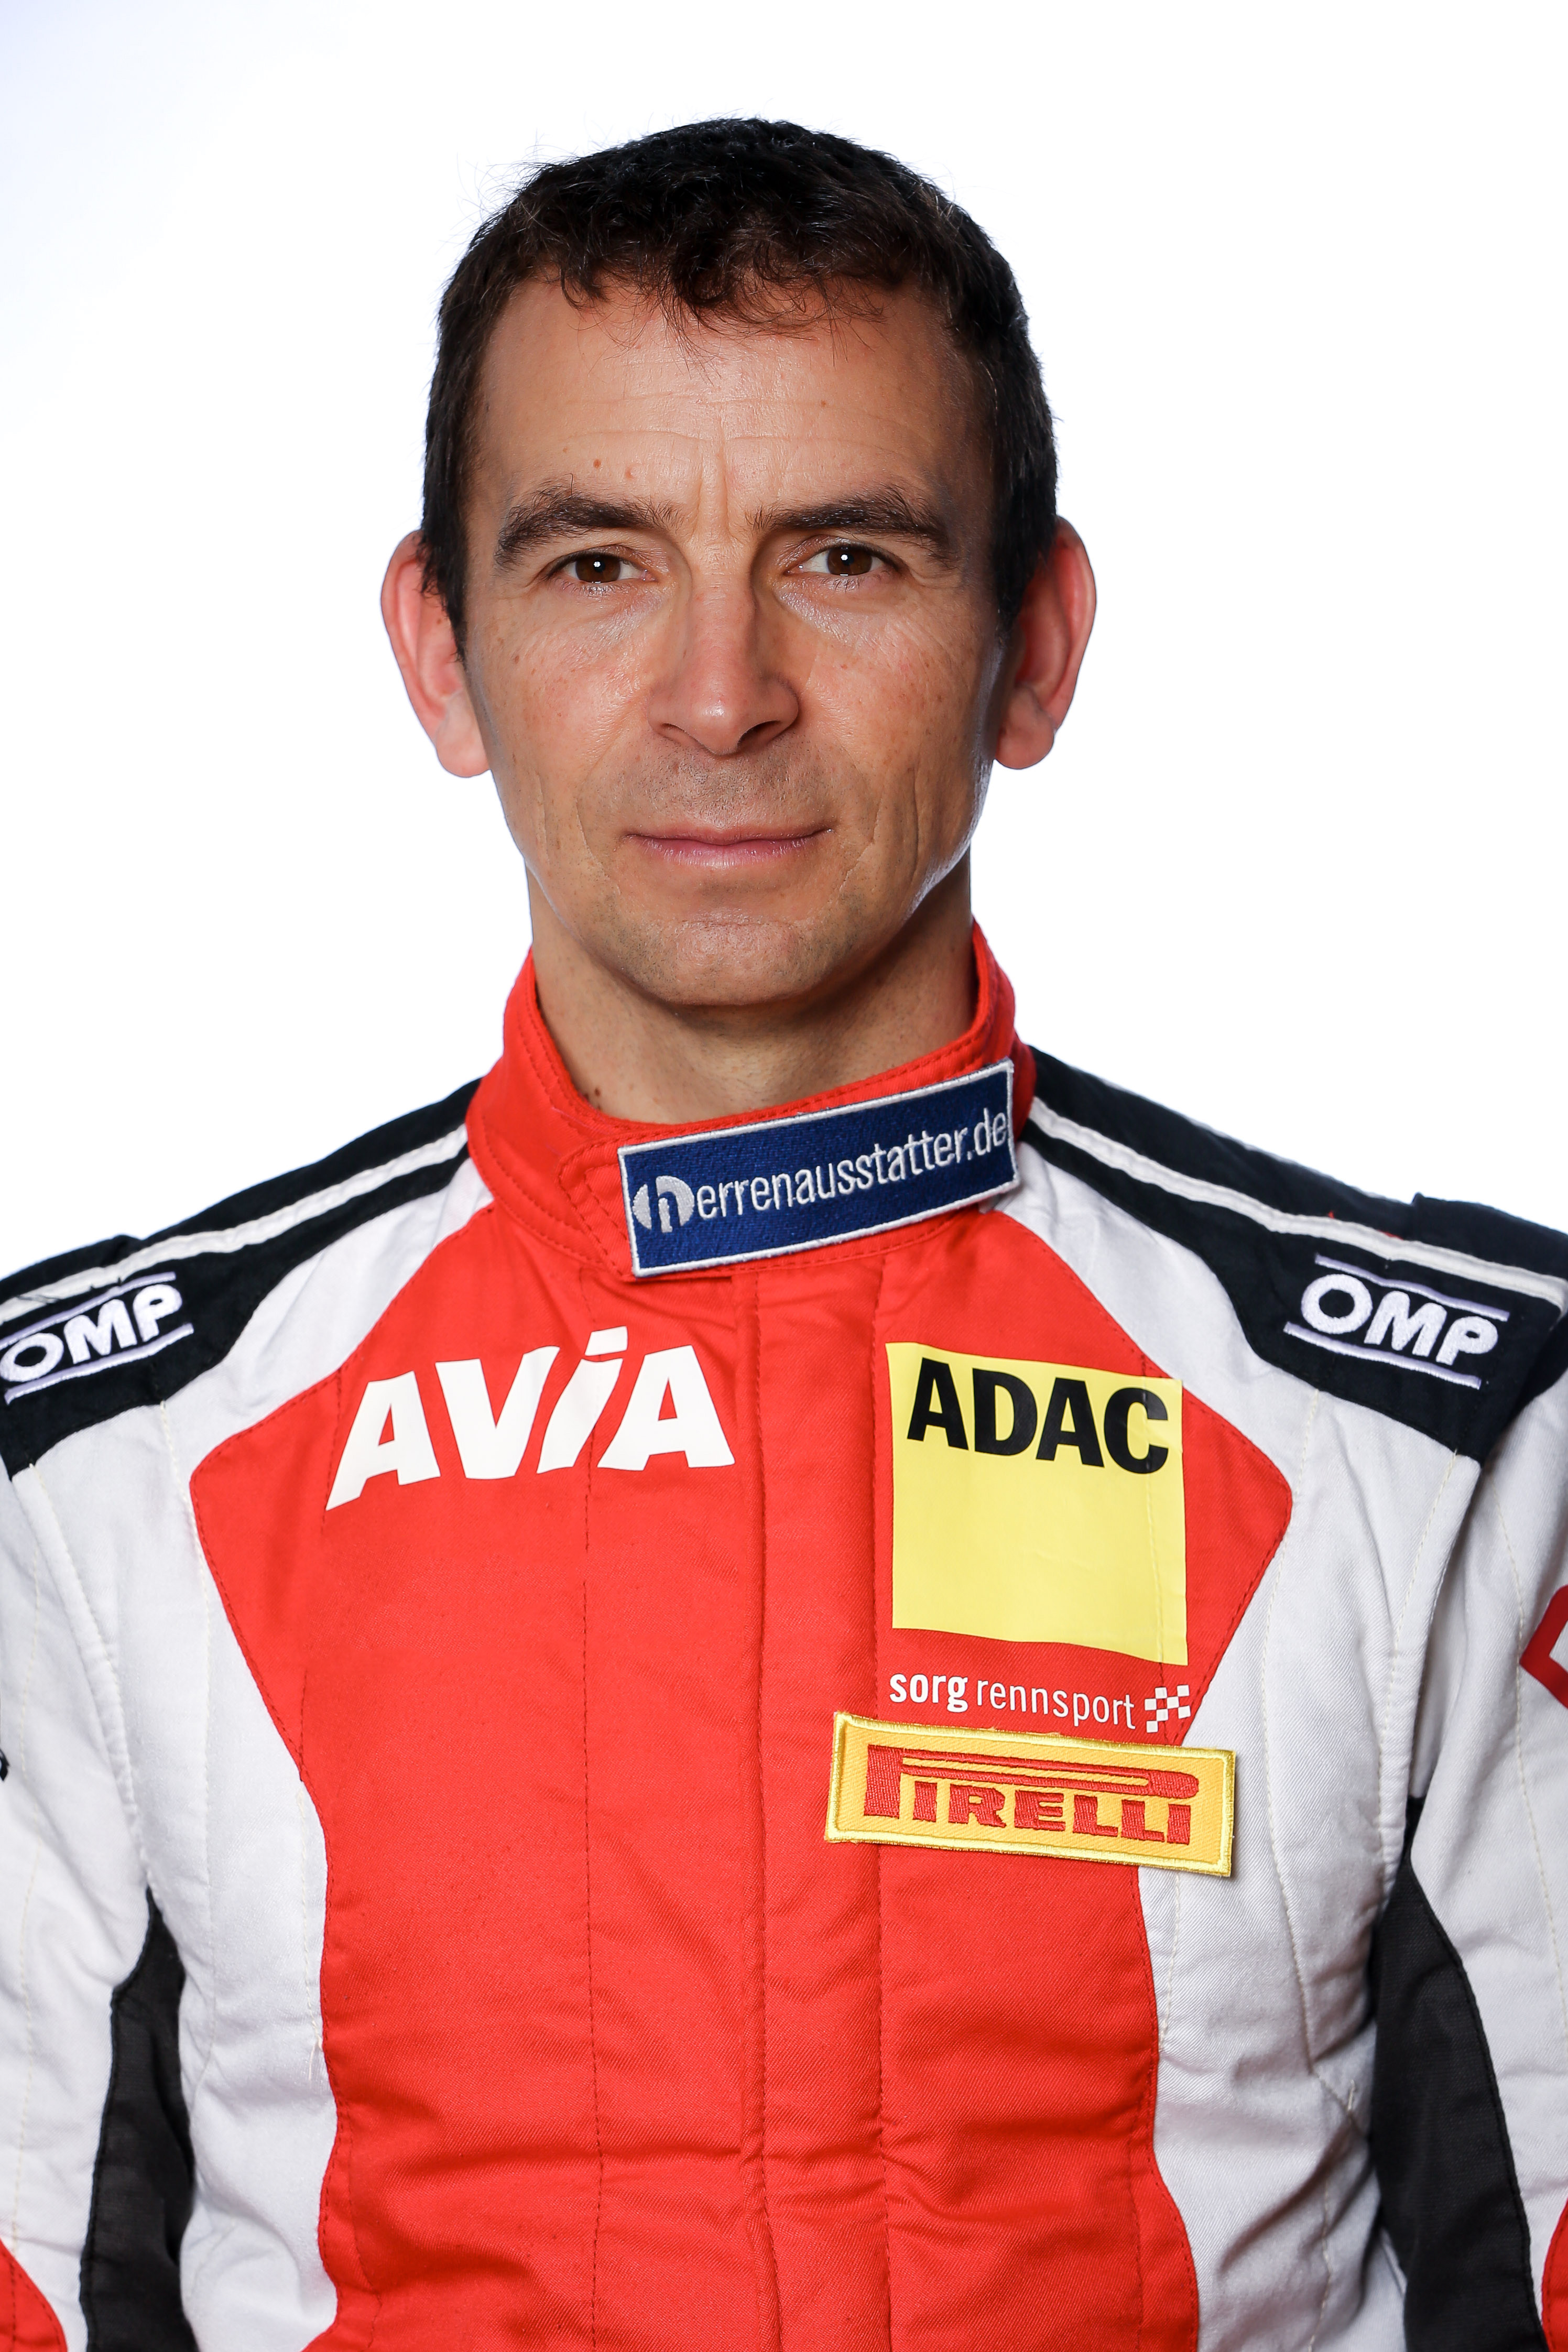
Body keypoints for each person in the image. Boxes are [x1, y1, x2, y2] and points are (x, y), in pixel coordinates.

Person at [1, 115, 1564, 2352]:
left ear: (1034, 646)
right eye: (596, 564)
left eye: (844, 556)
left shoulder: (1442, 1441)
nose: (720, 697)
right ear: (438, 654)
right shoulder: (89, 1480)